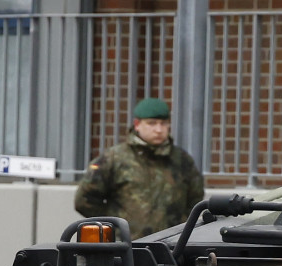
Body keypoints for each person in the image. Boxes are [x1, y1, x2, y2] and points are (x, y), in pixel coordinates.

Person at [75, 98, 205, 239]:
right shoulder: (115, 158)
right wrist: (115, 225)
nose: (158, 130)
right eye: (151, 123)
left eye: (163, 123)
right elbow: (85, 200)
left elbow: (195, 199)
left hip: (171, 245)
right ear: (137, 125)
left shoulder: (181, 160)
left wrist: (180, 227)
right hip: (127, 246)